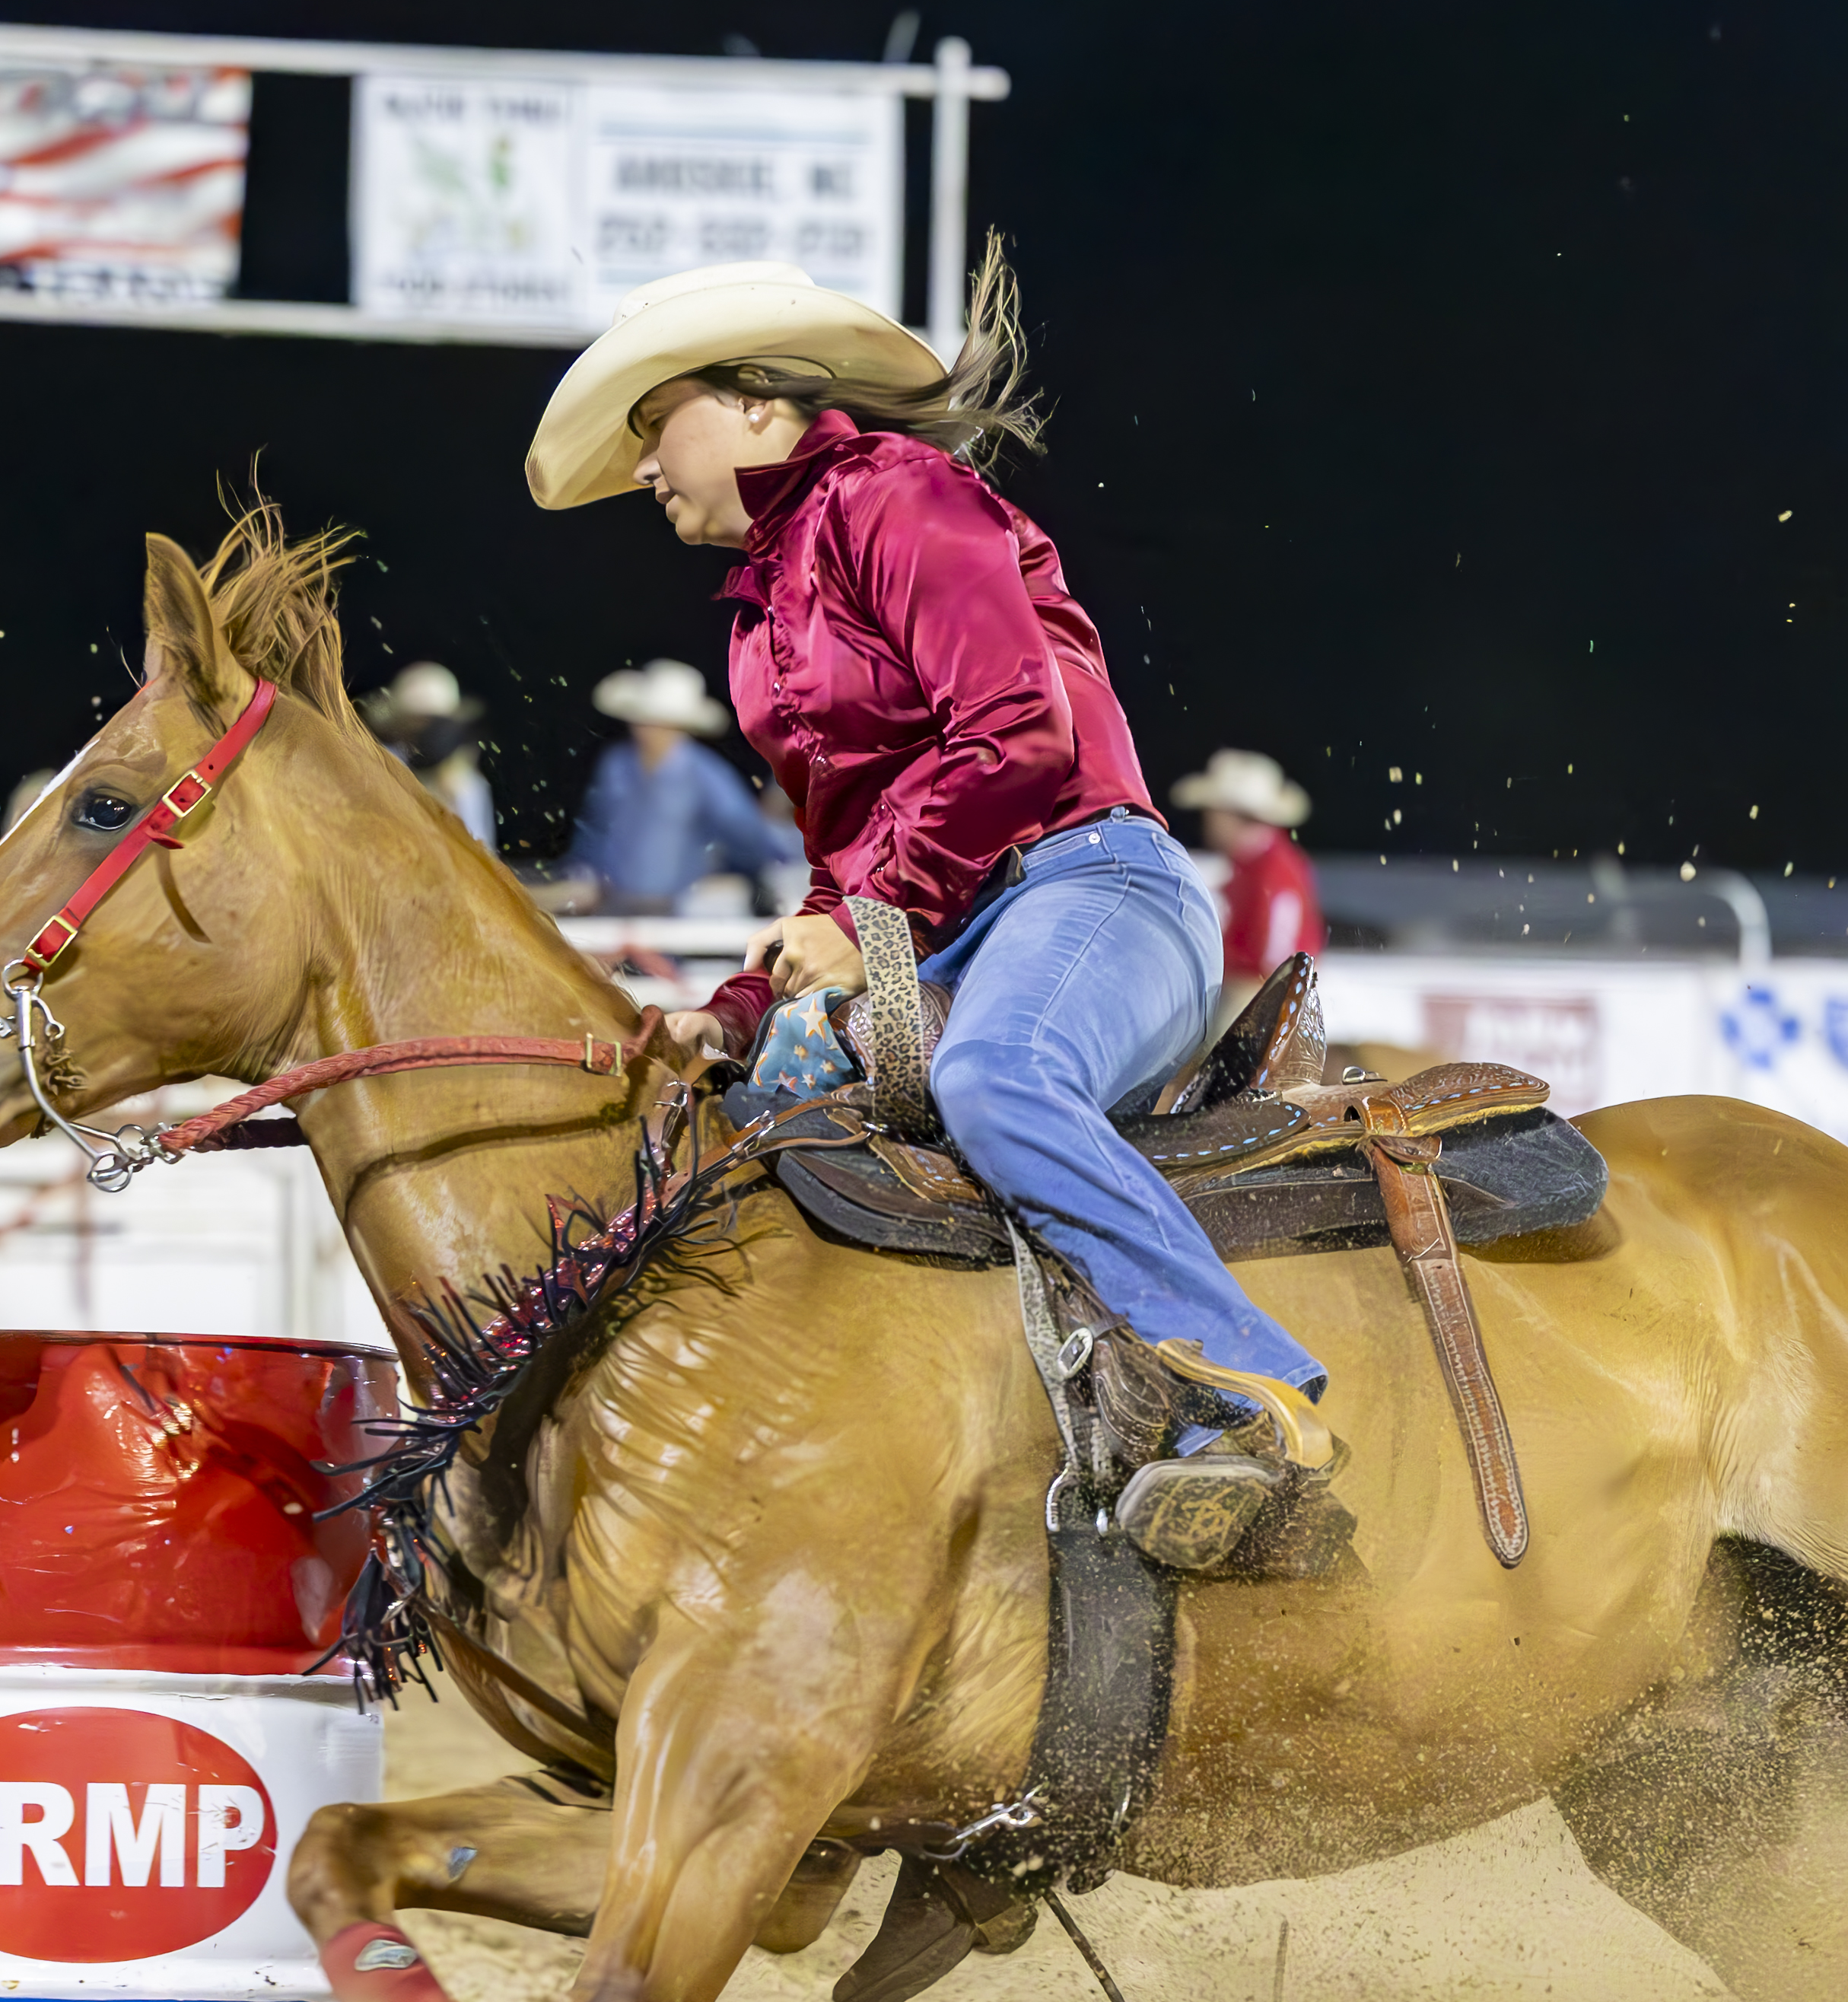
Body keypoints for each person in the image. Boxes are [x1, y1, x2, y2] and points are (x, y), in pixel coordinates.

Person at [524, 243, 1341, 1572]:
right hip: (957, 929)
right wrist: (737, 1013)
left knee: (999, 1076)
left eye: (652, 422)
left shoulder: (896, 494)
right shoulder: (755, 625)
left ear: (754, 400)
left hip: (1094, 884)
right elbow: (842, 868)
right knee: (747, 1131)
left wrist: (868, 917)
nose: (642, 466)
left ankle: (1251, 1392)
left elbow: (1018, 731)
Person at [562, 657, 799, 910]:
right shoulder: (616, 764)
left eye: (659, 723)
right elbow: (595, 828)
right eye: (643, 720)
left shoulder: (704, 772)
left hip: (676, 912)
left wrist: (744, 871)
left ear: (679, 727)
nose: (647, 730)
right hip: (613, 904)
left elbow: (746, 832)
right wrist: (581, 872)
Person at [1169, 748, 1322, 1016]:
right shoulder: (1251, 865)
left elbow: (1276, 962)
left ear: (1233, 817)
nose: (1207, 823)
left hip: (1261, 997)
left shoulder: (1275, 873)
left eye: (1212, 814)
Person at [367, 660, 503, 853]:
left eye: (431, 721)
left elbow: (481, 855)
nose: (422, 728)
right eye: (415, 719)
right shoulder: (374, 760)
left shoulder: (463, 785)